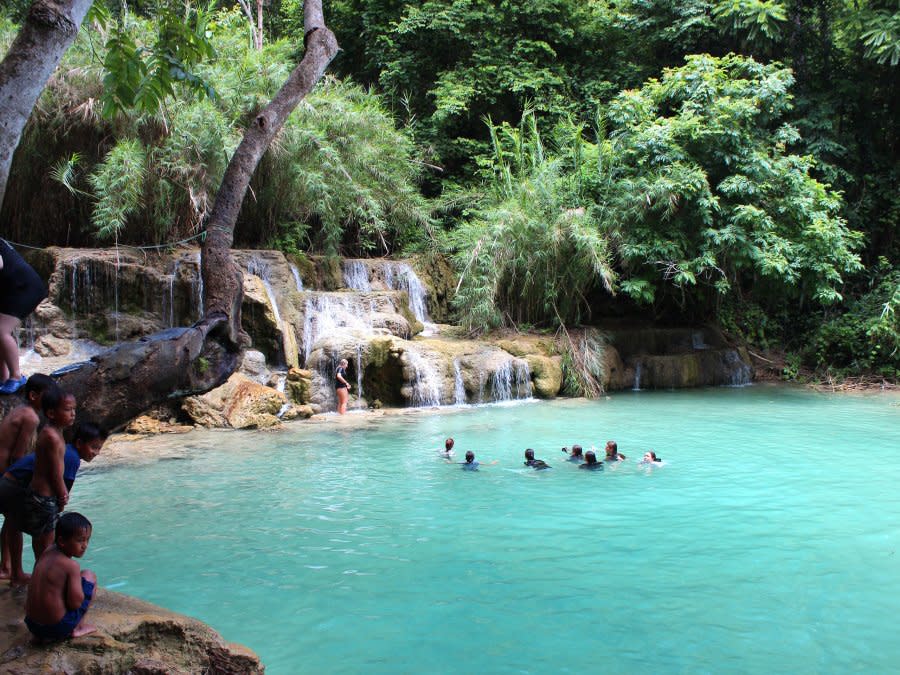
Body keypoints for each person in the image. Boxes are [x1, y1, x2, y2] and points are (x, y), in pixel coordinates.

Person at [0, 374, 58, 583]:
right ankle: (12, 570)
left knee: (10, 521)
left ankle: (7, 566)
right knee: (14, 522)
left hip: (4, 473)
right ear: (33, 395)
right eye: (47, 396)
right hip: (6, 473)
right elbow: (18, 456)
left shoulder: (19, 410)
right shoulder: (31, 417)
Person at [20, 388, 76, 560]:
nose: (73, 414)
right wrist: (63, 495)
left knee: (42, 543)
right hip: (44, 497)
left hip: (40, 495)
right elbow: (55, 472)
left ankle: (40, 572)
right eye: (68, 410)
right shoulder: (52, 437)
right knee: (47, 545)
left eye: (74, 409)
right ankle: (44, 574)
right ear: (51, 413)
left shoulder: (54, 431)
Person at [24, 512, 97, 641]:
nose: (85, 545)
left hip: (32, 625)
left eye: (87, 539)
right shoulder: (71, 566)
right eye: (80, 540)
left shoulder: (47, 551)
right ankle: (78, 627)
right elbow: (75, 604)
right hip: (55, 629)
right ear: (62, 541)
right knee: (89, 575)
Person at [0, 239, 49, 395]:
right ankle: (3, 377)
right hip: (13, 288)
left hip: (24, 288)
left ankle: (16, 376)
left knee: (1, 331)